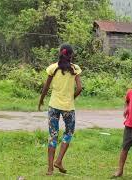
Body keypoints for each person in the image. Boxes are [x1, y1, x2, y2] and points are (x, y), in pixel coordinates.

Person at [38, 44, 83, 175]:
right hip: (68, 107)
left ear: (59, 53)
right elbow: (79, 88)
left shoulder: (53, 68)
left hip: (53, 106)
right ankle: (59, 160)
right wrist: (72, 97)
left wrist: (41, 100)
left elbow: (46, 87)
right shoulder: (75, 69)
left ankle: (50, 169)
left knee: (53, 135)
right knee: (68, 133)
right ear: (71, 55)